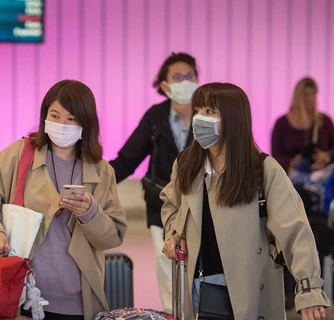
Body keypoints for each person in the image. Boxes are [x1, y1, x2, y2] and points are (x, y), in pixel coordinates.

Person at [161, 82, 330, 319]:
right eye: (197, 110)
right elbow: (171, 205)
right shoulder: (187, 164)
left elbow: (295, 230)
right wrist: (173, 233)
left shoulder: (262, 169)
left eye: (210, 111)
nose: (200, 118)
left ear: (233, 119)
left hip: (250, 290)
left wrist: (309, 289)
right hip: (198, 288)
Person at [0, 79, 127, 320]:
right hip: (19, 293)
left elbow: (113, 235)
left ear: (86, 123)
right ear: (45, 116)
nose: (63, 124)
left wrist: (90, 213)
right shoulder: (19, 155)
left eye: (72, 119)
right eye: (55, 115)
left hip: (77, 302)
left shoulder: (102, 172)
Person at [109, 52, 197, 312]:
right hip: (161, 205)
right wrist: (94, 179)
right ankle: (173, 316)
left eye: (190, 76)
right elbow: (127, 160)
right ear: (165, 85)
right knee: (169, 269)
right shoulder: (155, 118)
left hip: (201, 208)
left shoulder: (208, 114)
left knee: (200, 271)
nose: (185, 82)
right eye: (178, 77)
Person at [271, 77, 334, 174]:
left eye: (313, 94)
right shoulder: (281, 124)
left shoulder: (325, 121)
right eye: (306, 95)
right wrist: (292, 162)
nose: (310, 99)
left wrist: (326, 157)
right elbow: (276, 156)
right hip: (291, 178)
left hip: (321, 177)